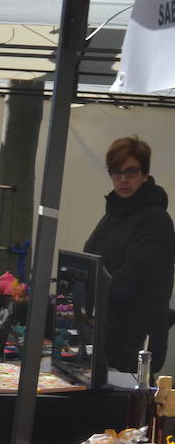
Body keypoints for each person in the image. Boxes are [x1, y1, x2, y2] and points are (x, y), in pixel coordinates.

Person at [83, 136, 175, 374]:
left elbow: (132, 278)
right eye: (116, 172)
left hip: (135, 341)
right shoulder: (115, 212)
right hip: (109, 332)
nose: (123, 180)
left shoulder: (156, 220)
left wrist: (89, 292)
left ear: (145, 174)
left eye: (131, 172)